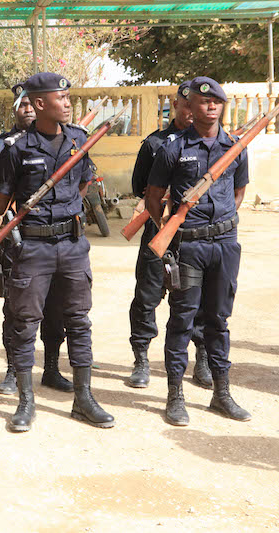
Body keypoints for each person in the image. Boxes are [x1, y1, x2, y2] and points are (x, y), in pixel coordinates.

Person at [0, 72, 115, 433]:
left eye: (68, 97)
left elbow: (82, 183)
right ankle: (25, 401)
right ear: (40, 103)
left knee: (78, 321)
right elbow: (1, 201)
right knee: (25, 323)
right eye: (60, 98)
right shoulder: (16, 148)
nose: (67, 103)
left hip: (73, 245)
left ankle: (84, 398)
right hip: (33, 247)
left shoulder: (79, 139)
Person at [145, 76, 251, 426]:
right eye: (202, 102)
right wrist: (170, 232)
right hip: (188, 244)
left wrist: (222, 222)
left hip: (224, 245)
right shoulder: (172, 148)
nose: (209, 106)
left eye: (216, 101)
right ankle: (175, 395)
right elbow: (153, 196)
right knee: (181, 320)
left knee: (218, 320)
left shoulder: (235, 146)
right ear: (188, 107)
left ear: (222, 106)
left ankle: (221, 393)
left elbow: (238, 192)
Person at [0, 82, 72, 395]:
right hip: (18, 239)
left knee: (57, 306)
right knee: (17, 310)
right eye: (22, 105)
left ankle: (53, 367)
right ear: (14, 110)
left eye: (31, 104)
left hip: (58, 237)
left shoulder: (69, 139)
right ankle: (12, 370)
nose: (27, 109)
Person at [126, 81, 211, 389]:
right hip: (159, 227)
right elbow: (140, 187)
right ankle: (142, 359)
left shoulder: (214, 144)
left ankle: (201, 357)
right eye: (186, 105)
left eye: (197, 105)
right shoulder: (155, 144)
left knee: (198, 299)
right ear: (176, 105)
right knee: (147, 295)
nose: (191, 111)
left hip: (198, 233)